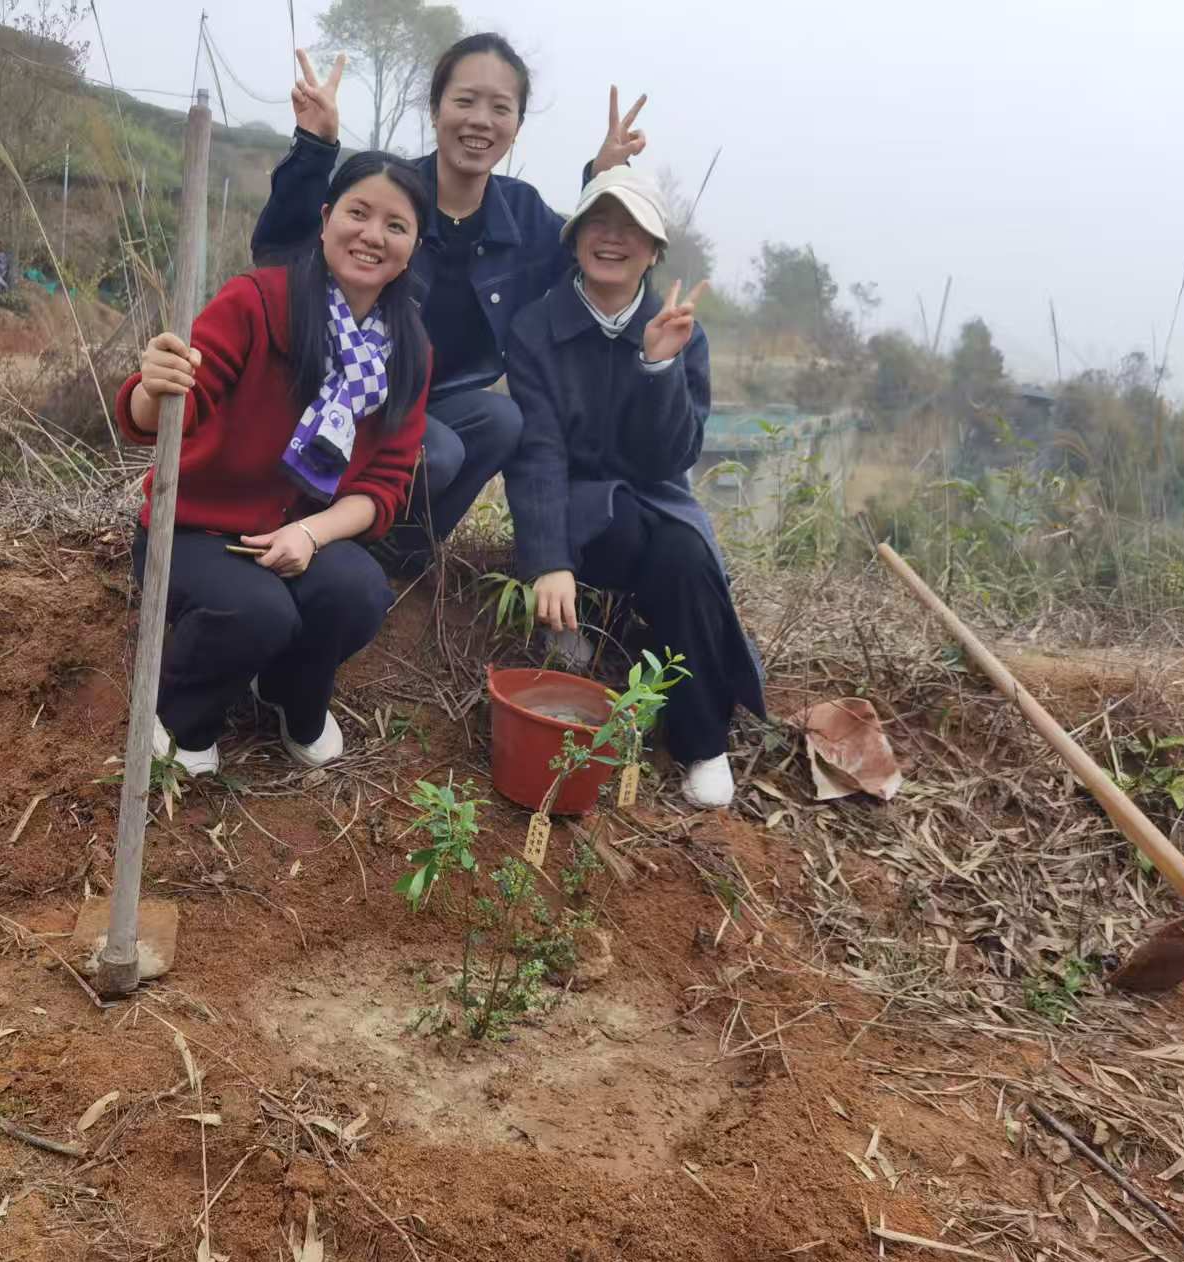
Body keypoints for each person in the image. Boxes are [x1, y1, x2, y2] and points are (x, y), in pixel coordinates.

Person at [252, 34, 648, 570]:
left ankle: (402, 554)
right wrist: (315, 147)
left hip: (437, 402)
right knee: (437, 451)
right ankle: (334, 530)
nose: (480, 120)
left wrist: (600, 183)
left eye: (500, 108)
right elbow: (279, 251)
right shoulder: (392, 193)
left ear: (517, 125)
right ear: (436, 109)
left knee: (501, 419)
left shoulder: (523, 215)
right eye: (465, 101)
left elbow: (588, 264)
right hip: (348, 391)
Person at [117, 152, 433, 776]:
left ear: (413, 248)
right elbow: (166, 412)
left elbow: (386, 485)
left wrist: (309, 533)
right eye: (358, 213)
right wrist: (154, 386)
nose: (373, 235)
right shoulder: (258, 302)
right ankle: (182, 719)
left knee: (359, 592)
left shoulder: (411, 352)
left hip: (296, 531)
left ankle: (289, 692)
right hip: (194, 530)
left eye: (395, 225)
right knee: (258, 609)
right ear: (325, 219)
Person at [503, 167, 766, 808]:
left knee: (686, 556)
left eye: (632, 229)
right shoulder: (536, 328)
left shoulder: (679, 329)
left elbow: (670, 458)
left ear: (653, 251)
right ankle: (576, 621)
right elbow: (537, 450)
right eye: (598, 222)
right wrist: (549, 561)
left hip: (653, 498)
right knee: (621, 527)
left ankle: (703, 741)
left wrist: (657, 363)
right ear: (574, 238)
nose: (612, 238)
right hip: (572, 507)